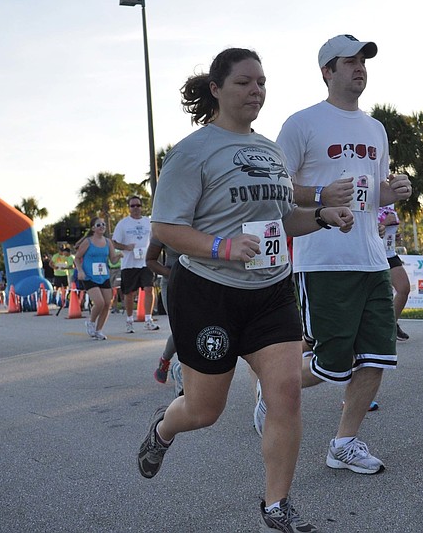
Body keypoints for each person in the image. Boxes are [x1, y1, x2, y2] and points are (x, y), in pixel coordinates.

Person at [138, 46, 353, 531]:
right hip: (210, 290)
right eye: (243, 82)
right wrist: (220, 246)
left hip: (271, 290)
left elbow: (283, 220)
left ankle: (276, 506)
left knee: (287, 393)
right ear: (216, 89)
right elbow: (167, 227)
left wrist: (321, 216)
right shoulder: (192, 151)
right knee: (204, 410)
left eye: (261, 82)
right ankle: (163, 427)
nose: (255, 90)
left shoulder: (270, 151)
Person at [274, 34, 412, 475]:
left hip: (372, 256)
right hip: (323, 259)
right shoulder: (302, 124)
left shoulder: (375, 129)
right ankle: (272, 387)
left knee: (376, 357)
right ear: (326, 72)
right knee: (333, 365)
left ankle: (344, 443)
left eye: (363, 61)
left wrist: (396, 190)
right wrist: (319, 194)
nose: (359, 68)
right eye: (348, 61)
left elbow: (375, 192)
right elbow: (277, 187)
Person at [112, 195, 159, 332]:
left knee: (149, 289)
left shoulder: (148, 222)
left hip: (146, 262)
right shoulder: (123, 223)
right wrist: (126, 247)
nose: (136, 208)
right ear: (129, 208)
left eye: (138, 205)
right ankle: (129, 320)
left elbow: (156, 238)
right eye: (133, 206)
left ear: (141, 207)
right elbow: (114, 242)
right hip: (129, 263)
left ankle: (148, 319)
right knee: (129, 293)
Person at [74, 218, 119, 340]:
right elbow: (77, 258)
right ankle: (91, 322)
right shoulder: (88, 242)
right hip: (89, 276)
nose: (102, 226)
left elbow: (113, 260)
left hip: (103, 275)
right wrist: (80, 270)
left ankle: (99, 330)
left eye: (103, 224)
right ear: (93, 228)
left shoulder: (108, 242)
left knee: (107, 303)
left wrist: (119, 256)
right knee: (99, 302)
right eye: (98, 225)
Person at [146, 236, 179, 385]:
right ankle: (165, 361)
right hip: (173, 283)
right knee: (180, 329)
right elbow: (150, 260)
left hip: (201, 282)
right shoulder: (163, 227)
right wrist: (171, 273)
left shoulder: (204, 221)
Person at [379, 205, 411, 341]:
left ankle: (390, 325)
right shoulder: (367, 194)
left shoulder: (390, 202)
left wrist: (394, 235)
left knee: (404, 288)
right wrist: (383, 223)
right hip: (373, 254)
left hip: (389, 253)